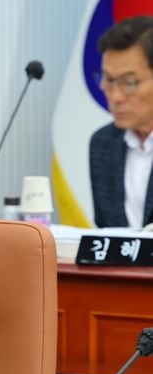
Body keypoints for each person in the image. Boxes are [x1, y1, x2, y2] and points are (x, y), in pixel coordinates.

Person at [90, 15, 153, 229]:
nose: (115, 96)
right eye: (109, 80)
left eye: (129, 82)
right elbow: (105, 234)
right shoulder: (102, 144)